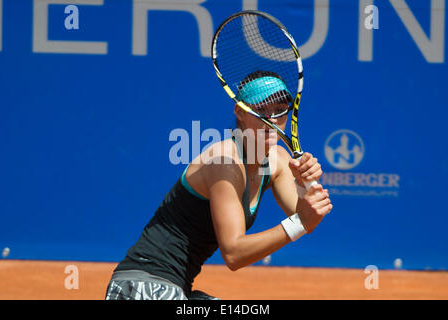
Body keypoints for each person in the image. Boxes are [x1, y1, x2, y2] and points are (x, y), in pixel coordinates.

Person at [105, 71, 333, 300]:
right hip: (140, 286)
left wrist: (304, 186)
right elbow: (234, 254)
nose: (271, 120)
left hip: (174, 288)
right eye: (261, 110)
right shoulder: (225, 162)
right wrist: (301, 221)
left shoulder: (279, 160)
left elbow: (304, 215)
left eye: (279, 110)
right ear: (240, 112)